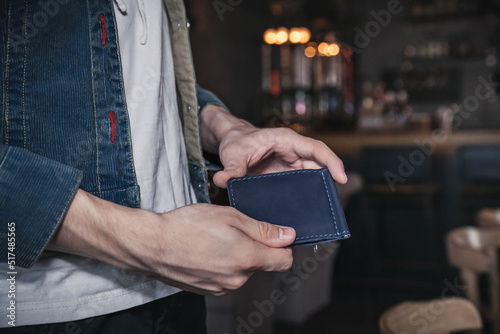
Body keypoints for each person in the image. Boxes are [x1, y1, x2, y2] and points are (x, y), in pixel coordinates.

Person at [0, 0, 347, 332]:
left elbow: (141, 85)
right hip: (47, 309)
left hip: (179, 291)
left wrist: (224, 128)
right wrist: (155, 243)